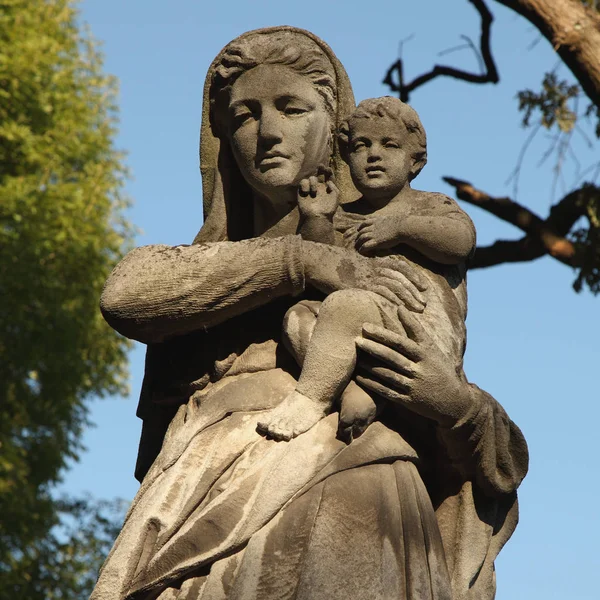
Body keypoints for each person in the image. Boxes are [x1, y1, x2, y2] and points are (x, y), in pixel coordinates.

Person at [91, 27, 528, 600]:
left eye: (291, 108)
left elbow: (499, 461)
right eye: (244, 116)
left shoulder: (391, 244)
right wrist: (298, 260)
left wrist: (456, 406)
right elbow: (124, 294)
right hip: (200, 494)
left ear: (334, 128)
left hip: (359, 489)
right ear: (221, 137)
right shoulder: (208, 266)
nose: (267, 132)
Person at [260, 96, 476, 443]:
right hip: (355, 329)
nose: (373, 154)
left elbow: (460, 240)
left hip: (420, 328)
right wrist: (317, 219)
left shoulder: (430, 205)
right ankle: (353, 389)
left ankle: (310, 397)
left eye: (389, 145)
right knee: (297, 317)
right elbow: (320, 272)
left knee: (347, 305)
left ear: (415, 160)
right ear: (347, 158)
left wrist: (400, 228)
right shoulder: (344, 215)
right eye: (361, 146)